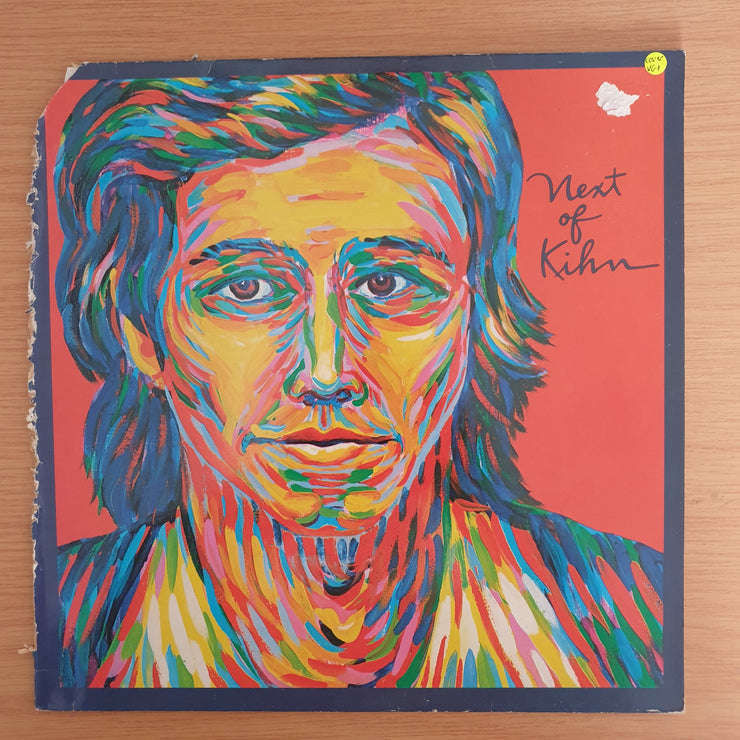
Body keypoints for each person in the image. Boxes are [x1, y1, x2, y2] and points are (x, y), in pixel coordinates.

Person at [55, 71, 663, 689]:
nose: (326, 373)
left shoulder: (639, 619)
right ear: (141, 331)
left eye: (388, 284)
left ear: (477, 314)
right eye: (247, 289)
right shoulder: (62, 628)